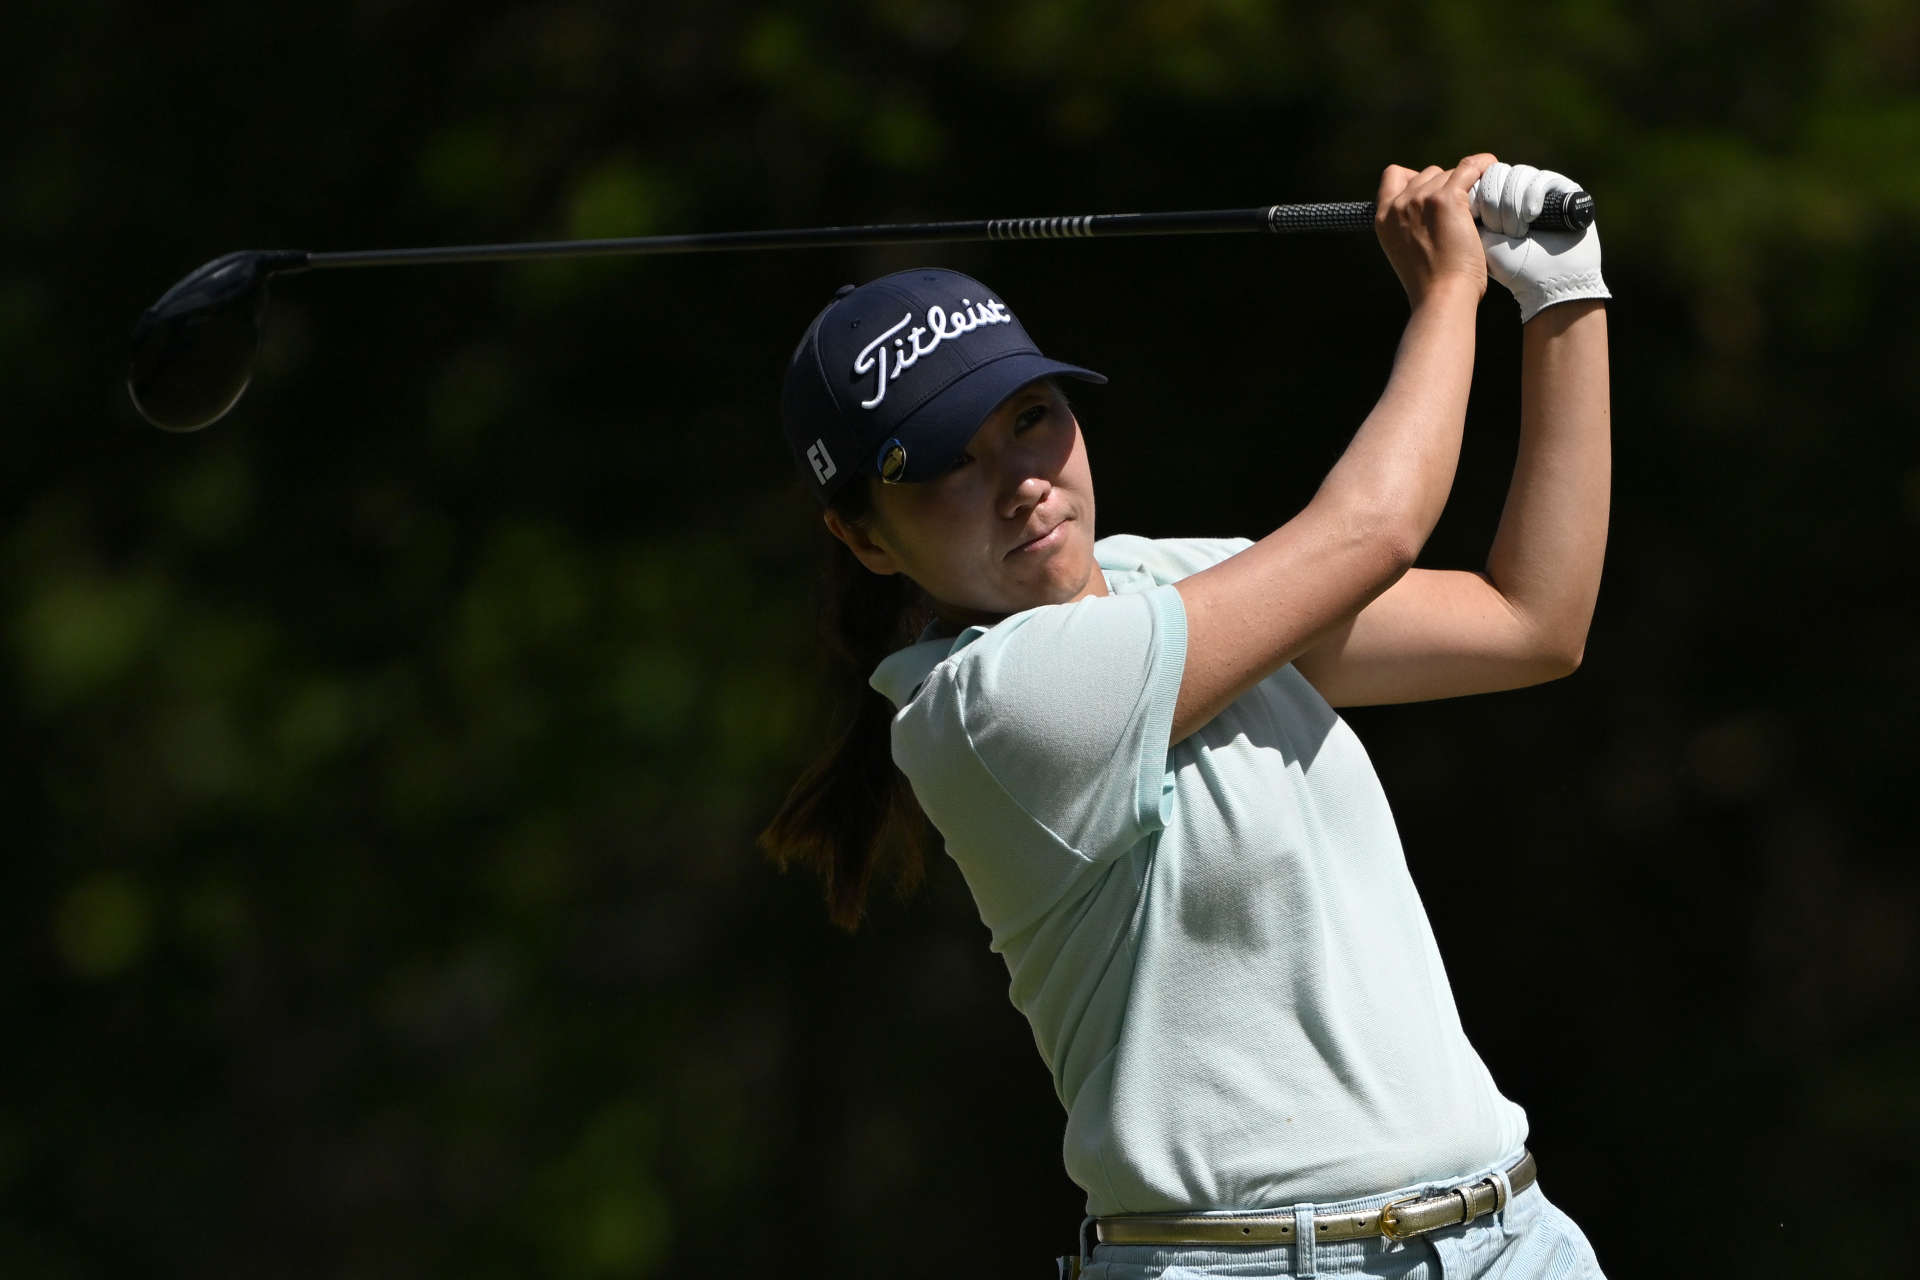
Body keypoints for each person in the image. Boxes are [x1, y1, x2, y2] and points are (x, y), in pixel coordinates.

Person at [762, 155, 1611, 1280]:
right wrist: (1451, 291)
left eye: (1031, 417)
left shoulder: (1165, 578)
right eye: (942, 467)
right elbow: (1374, 531)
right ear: (866, 539)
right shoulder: (986, 708)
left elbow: (1529, 620)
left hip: (1513, 1239)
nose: (1019, 477)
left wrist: (1562, 298)